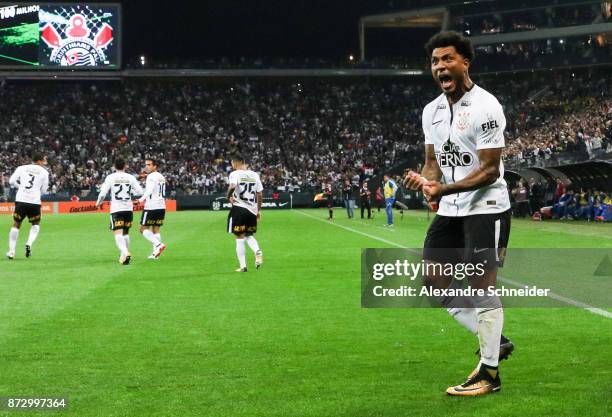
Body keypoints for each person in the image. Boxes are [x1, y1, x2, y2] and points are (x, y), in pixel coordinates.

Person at [404, 31, 513, 396]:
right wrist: (426, 184)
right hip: (450, 209)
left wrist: (443, 188)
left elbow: (490, 170)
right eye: (435, 61)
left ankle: (489, 374)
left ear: (465, 62)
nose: (440, 67)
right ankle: (494, 343)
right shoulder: (430, 111)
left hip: (487, 207)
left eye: (447, 59)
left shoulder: (486, 106)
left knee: (481, 288)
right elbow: (433, 163)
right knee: (435, 284)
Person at [95, 158, 144, 265]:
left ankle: (125, 252)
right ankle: (123, 256)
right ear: (125, 166)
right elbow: (140, 191)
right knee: (125, 233)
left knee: (118, 233)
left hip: (116, 209)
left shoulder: (111, 177)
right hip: (128, 208)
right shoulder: (130, 177)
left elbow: (103, 193)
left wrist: (98, 203)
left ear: (114, 166)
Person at [6, 153, 49, 260]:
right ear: (38, 161)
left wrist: (20, 186)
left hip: (21, 200)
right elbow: (44, 190)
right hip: (34, 201)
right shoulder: (44, 172)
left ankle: (11, 251)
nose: (45, 162)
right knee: (36, 224)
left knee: (16, 224)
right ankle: (29, 243)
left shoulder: (22, 168)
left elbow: (11, 181)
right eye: (44, 160)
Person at [226, 153, 263, 272]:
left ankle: (243, 266)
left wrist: (228, 197)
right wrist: (258, 210)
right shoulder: (254, 175)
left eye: (232, 163)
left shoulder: (235, 174)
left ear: (236, 163)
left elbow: (232, 186)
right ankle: (257, 251)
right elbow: (260, 194)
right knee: (249, 235)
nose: (232, 166)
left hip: (239, 208)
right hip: (252, 210)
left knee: (239, 237)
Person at [138, 158, 168, 259]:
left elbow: (149, 191)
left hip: (151, 206)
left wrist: (140, 200)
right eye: (146, 164)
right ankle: (155, 254)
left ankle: (159, 245)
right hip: (161, 206)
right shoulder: (161, 176)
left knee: (142, 229)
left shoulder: (150, 176)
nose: (147, 166)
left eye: (149, 165)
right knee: (156, 230)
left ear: (155, 166)